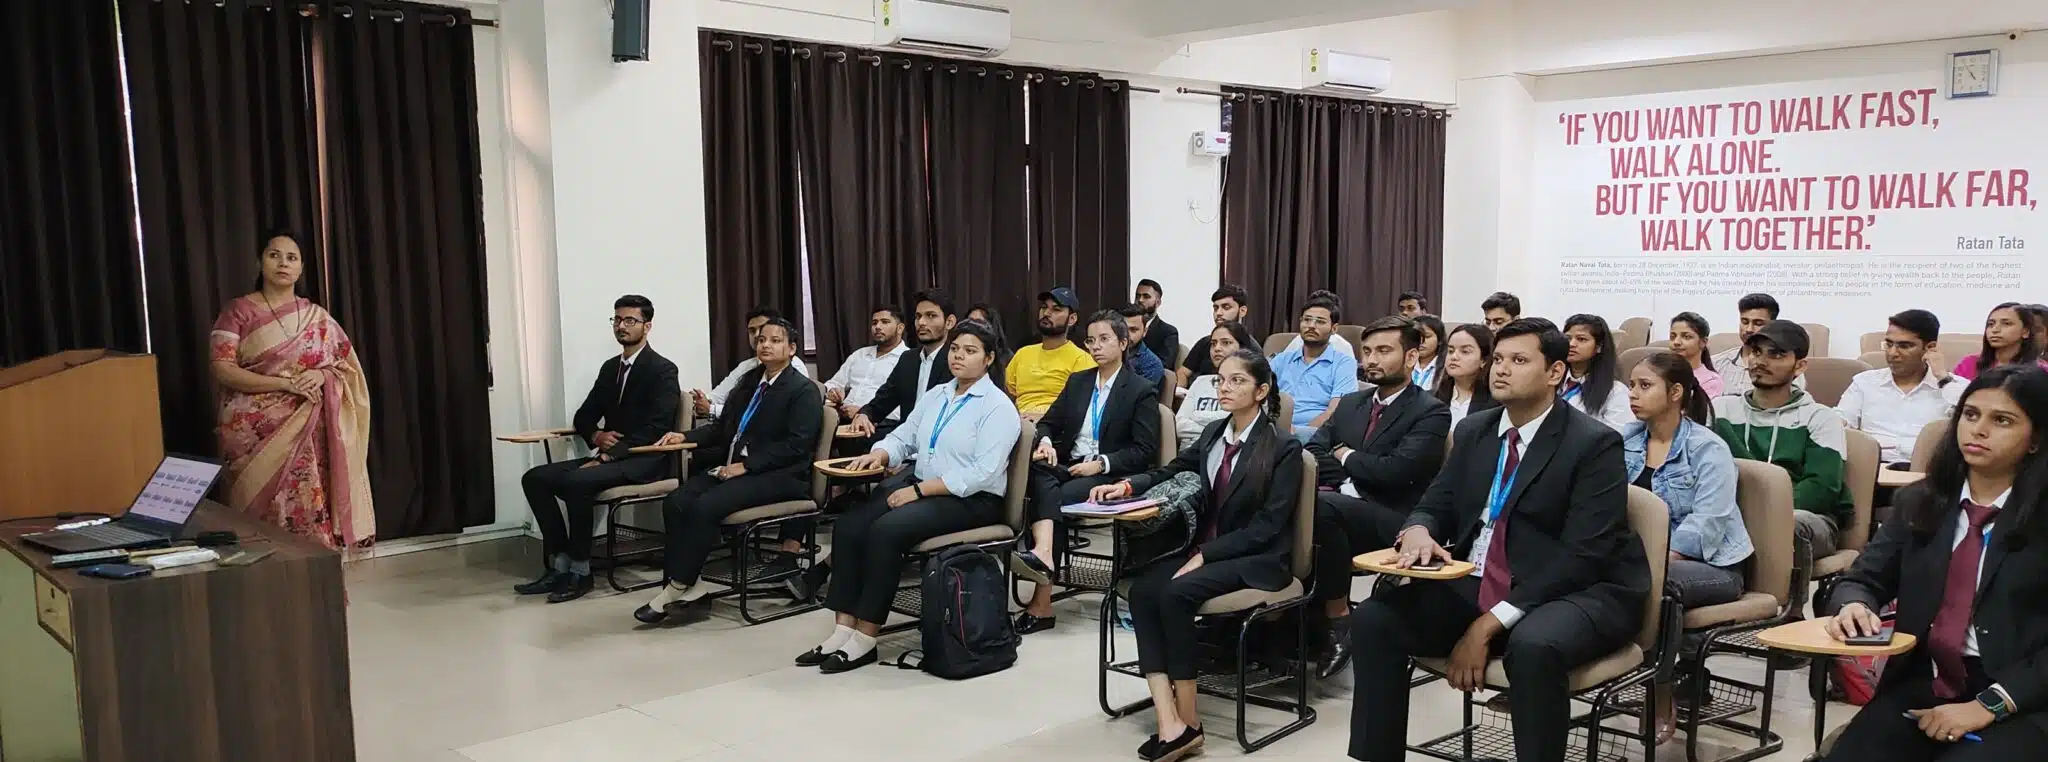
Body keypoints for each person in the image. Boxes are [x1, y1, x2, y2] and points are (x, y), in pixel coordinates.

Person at [1348, 319, 1648, 762]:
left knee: (1533, 646)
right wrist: (1418, 530)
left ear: (1555, 372)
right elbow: (1436, 503)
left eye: (1519, 360)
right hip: (1484, 577)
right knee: (1375, 619)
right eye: (1500, 359)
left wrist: (1487, 625)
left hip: (1579, 588)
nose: (1502, 370)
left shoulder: (1593, 443)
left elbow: (1584, 555)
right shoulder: (1476, 430)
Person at [1817, 364, 2048, 761]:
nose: (1978, 430)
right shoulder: (1921, 502)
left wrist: (1989, 704)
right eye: (1970, 415)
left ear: (2036, 440)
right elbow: (1862, 579)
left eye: (2002, 421)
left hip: (2026, 694)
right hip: (1930, 680)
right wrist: (1854, 604)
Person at [1087, 349, 1305, 762]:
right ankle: (1169, 719)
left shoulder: (1283, 447)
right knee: (1142, 591)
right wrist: (1128, 486)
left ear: (1261, 391)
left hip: (1255, 558)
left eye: (1238, 381)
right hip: (1206, 549)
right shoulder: (1214, 434)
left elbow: (1269, 527)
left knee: (1175, 594)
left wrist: (1206, 554)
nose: (1225, 387)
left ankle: (1189, 719)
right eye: (1221, 380)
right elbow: (1171, 470)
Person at [797, 321, 1022, 674]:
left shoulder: (997, 407)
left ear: (989, 358)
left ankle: (866, 637)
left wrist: (918, 491)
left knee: (886, 532)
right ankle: (842, 630)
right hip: (922, 486)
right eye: (955, 349)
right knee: (849, 526)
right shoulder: (938, 394)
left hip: (972, 500)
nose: (959, 357)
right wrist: (881, 453)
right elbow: (905, 436)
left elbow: (981, 473)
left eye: (970, 351)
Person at [633, 318, 822, 624]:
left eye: (775, 340)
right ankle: (690, 585)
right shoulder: (750, 383)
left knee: (707, 505)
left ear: (791, 349)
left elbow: (796, 446)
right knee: (677, 501)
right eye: (761, 340)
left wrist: (746, 466)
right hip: (738, 469)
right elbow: (723, 429)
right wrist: (686, 436)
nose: (765, 345)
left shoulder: (803, 390)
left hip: (782, 476)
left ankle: (677, 586)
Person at [1306, 316, 1452, 678]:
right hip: (1340, 507)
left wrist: (1344, 454)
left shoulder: (1431, 411)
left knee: (1322, 506)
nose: (1371, 359)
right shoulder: (1351, 403)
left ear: (1411, 357)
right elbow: (1313, 452)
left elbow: (1396, 473)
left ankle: (1339, 618)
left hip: (1394, 519)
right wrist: (1355, 468)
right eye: (1367, 351)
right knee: (1295, 504)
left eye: (1384, 351)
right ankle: (1283, 623)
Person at [211, 231, 375, 552]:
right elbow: (222, 368)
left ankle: (314, 574)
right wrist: (284, 384)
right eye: (274, 255)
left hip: (309, 426)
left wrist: (321, 374)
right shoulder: (238, 311)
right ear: (260, 262)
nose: (282, 263)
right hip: (252, 431)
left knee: (307, 506)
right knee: (257, 513)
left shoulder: (317, 317)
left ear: (301, 268)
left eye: (291, 257)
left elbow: (347, 369)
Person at [517, 295, 681, 603]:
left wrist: (607, 455)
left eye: (630, 320)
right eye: (617, 320)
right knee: (534, 478)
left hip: (643, 460)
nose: (621, 326)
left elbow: (656, 428)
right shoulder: (610, 369)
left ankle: (581, 571)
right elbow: (584, 415)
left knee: (576, 481)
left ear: (647, 326)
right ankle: (559, 564)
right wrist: (596, 435)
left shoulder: (663, 370)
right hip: (610, 456)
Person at [1625, 351, 1755, 741]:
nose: (1633, 394)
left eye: (1644, 386)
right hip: (1641, 560)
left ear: (1676, 392)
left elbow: (1707, 525)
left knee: (1658, 583)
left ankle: (1661, 688)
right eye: (1631, 385)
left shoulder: (1707, 448)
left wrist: (1652, 562)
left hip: (1714, 566)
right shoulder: (1624, 440)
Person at [1011, 311, 1162, 634]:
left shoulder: (1140, 389)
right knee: (1037, 471)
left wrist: (1102, 463)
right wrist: (1046, 442)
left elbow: (1144, 451)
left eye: (1104, 339)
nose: (1095, 347)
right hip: (1070, 465)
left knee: (1052, 498)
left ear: (1123, 343)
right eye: (1091, 340)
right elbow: (1048, 423)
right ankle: (1045, 554)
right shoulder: (1078, 381)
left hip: (1108, 475)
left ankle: (1042, 596)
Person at [1713, 320, 1852, 576]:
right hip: (1733, 514)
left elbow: (1821, 488)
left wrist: (1761, 515)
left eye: (1776, 354)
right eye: (1756, 352)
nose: (1760, 361)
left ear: (1800, 366)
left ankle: (1788, 600)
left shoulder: (1820, 418)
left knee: (1790, 525)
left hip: (1807, 517)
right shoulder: (1720, 410)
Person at [1839, 309, 1960, 465]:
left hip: (1927, 470)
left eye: (1904, 346)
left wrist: (1943, 378)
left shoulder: (1954, 387)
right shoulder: (1865, 382)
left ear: (1930, 347)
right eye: (1889, 344)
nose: (1892, 353)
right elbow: (1841, 422)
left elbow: (1968, 424)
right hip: (1872, 469)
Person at [848, 290, 958, 443]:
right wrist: (865, 414)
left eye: (931, 316)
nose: (922, 322)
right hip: (905, 443)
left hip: (942, 444)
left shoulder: (957, 360)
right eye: (918, 316)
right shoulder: (908, 359)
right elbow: (883, 400)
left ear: (949, 322)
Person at [693, 307, 809, 419]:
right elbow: (718, 396)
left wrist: (712, 409)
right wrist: (699, 400)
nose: (757, 335)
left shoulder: (794, 367)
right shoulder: (747, 368)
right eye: (752, 331)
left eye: (762, 329)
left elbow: (764, 414)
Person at [1008, 287, 1098, 418]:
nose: (1046, 313)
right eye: (1044, 307)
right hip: (1018, 420)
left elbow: (1081, 408)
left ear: (1072, 319)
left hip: (1056, 425)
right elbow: (1006, 394)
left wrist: (1044, 418)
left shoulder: (1081, 359)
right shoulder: (1023, 354)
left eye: (1056, 309)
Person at [1272, 297, 1354, 441]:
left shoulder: (1343, 363)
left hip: (1315, 432)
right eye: (1307, 320)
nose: (1311, 326)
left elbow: (1335, 411)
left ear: (1334, 329)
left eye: (1320, 322)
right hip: (1275, 427)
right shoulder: (1280, 360)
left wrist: (1298, 432)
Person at [1176, 322, 1258, 450]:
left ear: (1242, 348)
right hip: (1188, 453)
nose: (1217, 348)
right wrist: (1217, 426)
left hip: (1227, 453)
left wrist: (1197, 416)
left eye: (1226, 343)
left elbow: (1240, 426)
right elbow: (1178, 426)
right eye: (1213, 344)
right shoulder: (1200, 382)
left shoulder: (1249, 385)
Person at [822, 306, 910, 421]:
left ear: (900, 328)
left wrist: (864, 412)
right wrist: (833, 391)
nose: (878, 327)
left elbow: (907, 406)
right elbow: (833, 383)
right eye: (874, 323)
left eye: (885, 322)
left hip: (880, 422)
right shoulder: (860, 355)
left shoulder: (908, 359)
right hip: (843, 416)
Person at [1562, 314, 1633, 430]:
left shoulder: (1615, 391)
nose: (1571, 344)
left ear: (1599, 346)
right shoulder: (1551, 382)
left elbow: (1617, 436)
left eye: (1581, 339)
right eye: (1568, 338)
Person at [1709, 293, 1781, 398]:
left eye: (1758, 323)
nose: (1749, 329)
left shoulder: (1786, 366)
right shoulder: (1715, 364)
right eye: (1745, 322)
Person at [1178, 285, 1251, 388]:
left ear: (1242, 311)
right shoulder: (1205, 342)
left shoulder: (1251, 348)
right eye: (1216, 308)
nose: (1218, 313)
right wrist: (1181, 390)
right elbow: (1183, 372)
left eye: (1226, 307)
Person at [1957, 302, 2047, 381]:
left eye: (2006, 323)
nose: (1995, 330)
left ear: (2025, 331)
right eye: (1990, 324)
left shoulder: (2042, 372)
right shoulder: (1969, 364)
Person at [1434, 323, 1500, 428]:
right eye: (1450, 351)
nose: (1454, 357)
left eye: (1465, 351)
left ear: (1484, 360)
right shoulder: (1431, 398)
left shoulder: (1496, 403)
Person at [1670, 311, 1724, 398]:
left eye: (1686, 337)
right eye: (1672, 337)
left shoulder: (1711, 381)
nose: (1676, 342)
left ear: (1703, 342)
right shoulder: (1661, 373)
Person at [1135, 279, 1180, 371]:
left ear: (1158, 302)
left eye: (1146, 296)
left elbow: (1164, 365)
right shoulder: (1124, 326)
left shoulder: (1168, 332)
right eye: (1138, 296)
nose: (1140, 300)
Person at [1120, 304, 1169, 385]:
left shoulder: (1151, 364)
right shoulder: (1107, 352)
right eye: (1122, 329)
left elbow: (1138, 393)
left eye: (1133, 330)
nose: (1127, 335)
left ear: (1144, 332)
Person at [966, 302, 1016, 374]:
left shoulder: (1007, 357)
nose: (972, 326)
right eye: (969, 321)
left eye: (978, 322)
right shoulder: (960, 352)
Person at [1410, 315, 1447, 391]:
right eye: (1416, 336)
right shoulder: (1403, 364)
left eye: (1427, 336)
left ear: (1440, 340)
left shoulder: (1447, 368)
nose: (1421, 341)